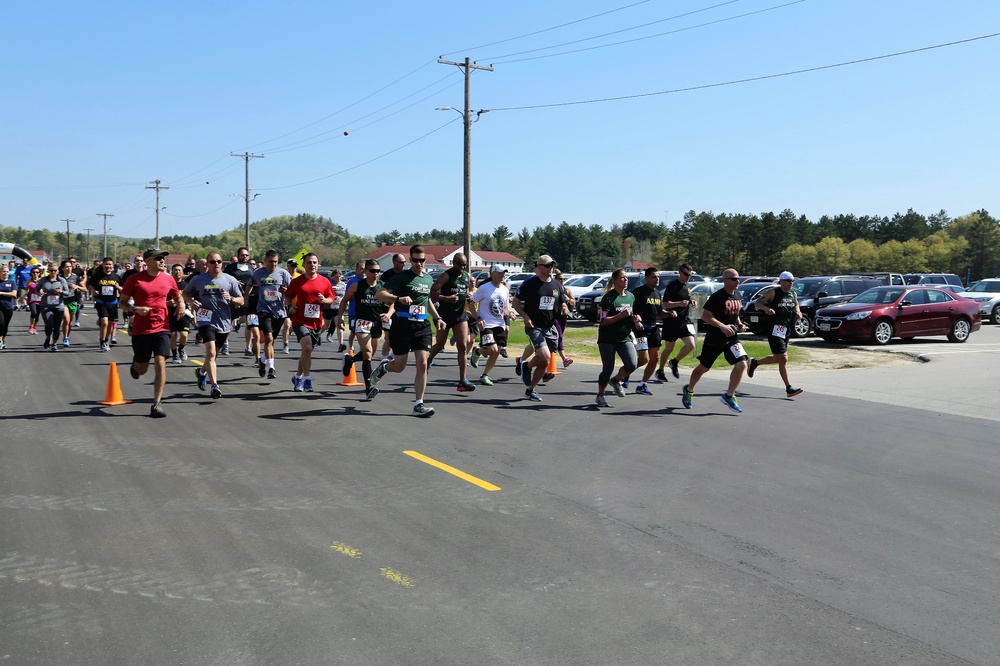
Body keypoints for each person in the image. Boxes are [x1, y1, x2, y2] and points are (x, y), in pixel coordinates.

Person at [369, 245, 447, 417]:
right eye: (416, 260)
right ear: (410, 260)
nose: (419, 263)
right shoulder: (401, 278)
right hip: (402, 325)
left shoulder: (427, 279)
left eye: (422, 260)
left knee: (423, 363)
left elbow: (426, 300)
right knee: (399, 366)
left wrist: (438, 318)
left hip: (422, 326)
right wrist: (398, 298)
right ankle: (384, 368)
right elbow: (379, 294)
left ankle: (418, 404)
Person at [121, 249, 187, 418]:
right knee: (142, 368)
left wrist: (181, 305)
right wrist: (136, 309)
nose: (162, 261)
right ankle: (136, 366)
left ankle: (156, 403)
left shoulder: (168, 278)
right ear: (148, 261)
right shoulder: (134, 279)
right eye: (158, 258)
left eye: (163, 258)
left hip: (162, 328)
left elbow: (178, 296)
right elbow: (122, 303)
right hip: (141, 330)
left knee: (160, 361)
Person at [682, 268, 752, 414]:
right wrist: (722, 326)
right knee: (704, 367)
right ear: (725, 281)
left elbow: (735, 313)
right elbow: (706, 316)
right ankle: (689, 389)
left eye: (738, 278)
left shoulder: (737, 295)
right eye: (734, 279)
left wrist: (739, 323)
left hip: (732, 338)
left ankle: (729, 395)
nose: (737, 281)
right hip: (715, 338)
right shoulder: (717, 297)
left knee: (742, 364)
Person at [184, 252, 245, 400]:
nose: (216, 264)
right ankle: (214, 386)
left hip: (224, 321)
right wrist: (191, 302)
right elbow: (185, 293)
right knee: (211, 353)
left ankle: (201, 372)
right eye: (212, 261)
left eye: (218, 261)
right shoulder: (199, 279)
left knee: (214, 354)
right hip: (205, 320)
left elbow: (241, 300)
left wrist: (231, 298)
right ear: (207, 264)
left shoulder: (229, 280)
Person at [512, 254, 568, 402]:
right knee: (545, 357)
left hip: (549, 327)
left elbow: (562, 301)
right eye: (548, 265)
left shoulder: (557, 285)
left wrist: (564, 308)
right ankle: (527, 367)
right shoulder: (530, 284)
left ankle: (530, 388)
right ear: (540, 267)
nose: (551, 268)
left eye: (552, 265)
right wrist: (525, 316)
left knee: (543, 362)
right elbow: (515, 303)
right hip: (534, 326)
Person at [341, 259, 393, 400]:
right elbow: (345, 300)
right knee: (368, 353)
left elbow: (393, 302)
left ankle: (350, 359)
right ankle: (369, 387)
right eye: (373, 271)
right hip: (362, 322)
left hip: (377, 323)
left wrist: (388, 314)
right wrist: (340, 317)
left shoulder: (383, 287)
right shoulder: (358, 286)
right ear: (365, 271)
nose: (376, 273)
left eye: (378, 271)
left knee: (368, 353)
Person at [283, 253, 335, 392]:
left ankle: (297, 376)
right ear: (304, 265)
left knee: (307, 351)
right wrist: (290, 307)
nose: (312, 265)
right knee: (306, 347)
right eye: (309, 262)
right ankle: (307, 380)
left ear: (318, 264)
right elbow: (287, 296)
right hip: (299, 320)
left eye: (314, 262)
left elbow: (331, 298)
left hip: (316, 322)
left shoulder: (324, 281)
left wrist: (324, 300)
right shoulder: (297, 281)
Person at [747, 271, 804, 397]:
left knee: (779, 358)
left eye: (792, 281)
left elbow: (796, 305)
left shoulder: (793, 294)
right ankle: (789, 388)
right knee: (783, 358)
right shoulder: (773, 292)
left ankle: (755, 363)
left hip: (786, 328)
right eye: (789, 281)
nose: (791, 283)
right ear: (782, 281)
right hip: (775, 328)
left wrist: (798, 312)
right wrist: (766, 309)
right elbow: (758, 303)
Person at [427, 253, 476, 392]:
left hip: (460, 315)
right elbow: (431, 293)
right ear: (453, 263)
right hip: (444, 315)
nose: (462, 267)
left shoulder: (466, 276)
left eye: (464, 265)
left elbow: (466, 292)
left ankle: (462, 381)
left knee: (463, 346)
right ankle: (429, 359)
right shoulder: (446, 276)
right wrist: (446, 298)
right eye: (459, 264)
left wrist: (469, 297)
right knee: (440, 344)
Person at [593, 269, 641, 407]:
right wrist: (621, 315)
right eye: (622, 277)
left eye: (626, 277)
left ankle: (616, 380)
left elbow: (631, 314)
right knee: (608, 368)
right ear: (614, 280)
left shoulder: (631, 297)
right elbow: (603, 321)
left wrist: (636, 320)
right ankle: (600, 395)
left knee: (632, 364)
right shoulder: (608, 298)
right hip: (607, 339)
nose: (625, 280)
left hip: (624, 337)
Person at [251, 249, 293, 380]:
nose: (274, 264)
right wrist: (246, 298)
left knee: (271, 341)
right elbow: (249, 285)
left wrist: (285, 291)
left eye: (276, 262)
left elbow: (292, 292)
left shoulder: (283, 273)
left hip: (279, 311)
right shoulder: (258, 273)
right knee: (268, 338)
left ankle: (263, 361)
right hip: (264, 309)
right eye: (271, 261)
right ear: (265, 261)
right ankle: (272, 368)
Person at [468, 265, 511, 386]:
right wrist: (478, 318)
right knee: (492, 349)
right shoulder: (484, 288)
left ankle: (485, 375)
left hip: (499, 324)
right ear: (492, 274)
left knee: (496, 351)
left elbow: (505, 307)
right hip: (486, 323)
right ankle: (477, 351)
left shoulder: (505, 289)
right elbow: (471, 302)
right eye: (500, 273)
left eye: (504, 273)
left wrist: (510, 313)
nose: (502, 275)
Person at [657, 263, 697, 382]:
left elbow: (687, 299)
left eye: (690, 274)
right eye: (686, 274)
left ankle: (674, 362)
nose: (688, 277)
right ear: (680, 273)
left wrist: (692, 302)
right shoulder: (672, 286)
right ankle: (660, 370)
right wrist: (679, 303)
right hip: (671, 320)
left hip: (684, 320)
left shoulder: (688, 286)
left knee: (691, 344)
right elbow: (665, 303)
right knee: (669, 348)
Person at [629, 267, 663, 396]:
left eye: (658, 277)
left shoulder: (658, 294)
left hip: (654, 329)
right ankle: (624, 374)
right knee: (644, 359)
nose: (657, 279)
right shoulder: (638, 293)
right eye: (654, 277)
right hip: (641, 330)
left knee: (655, 358)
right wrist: (636, 321)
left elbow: (660, 312)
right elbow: (631, 310)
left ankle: (643, 384)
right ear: (647, 278)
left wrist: (670, 313)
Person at [222, 247, 254, 356]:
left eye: (246, 255)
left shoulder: (251, 268)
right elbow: (223, 280)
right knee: (229, 322)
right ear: (238, 255)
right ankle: (225, 344)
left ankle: (248, 347)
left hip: (247, 298)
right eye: (242, 255)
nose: (244, 257)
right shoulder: (230, 268)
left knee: (249, 322)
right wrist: (234, 282)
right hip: (233, 298)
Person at [377, 253, 407, 361]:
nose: (404, 264)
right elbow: (381, 293)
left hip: (401, 308)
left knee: (398, 335)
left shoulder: (405, 275)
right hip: (388, 307)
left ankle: (392, 353)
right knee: (389, 336)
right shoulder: (387, 275)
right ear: (394, 262)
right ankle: (384, 358)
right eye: (401, 262)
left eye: (405, 262)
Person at [91, 257, 123, 351]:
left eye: (110, 264)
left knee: (110, 324)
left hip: (112, 303)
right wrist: (94, 291)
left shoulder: (116, 277)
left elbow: (123, 287)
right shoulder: (98, 276)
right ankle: (101, 341)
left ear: (112, 266)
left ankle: (106, 340)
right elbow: (91, 285)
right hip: (101, 302)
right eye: (106, 264)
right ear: (103, 265)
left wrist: (118, 287)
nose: (108, 266)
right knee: (104, 322)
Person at [37, 263, 69, 351]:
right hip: (46, 306)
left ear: (58, 271)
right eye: (51, 270)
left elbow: (67, 293)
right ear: (48, 271)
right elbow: (36, 289)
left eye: (55, 271)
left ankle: (54, 344)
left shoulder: (61, 280)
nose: (53, 272)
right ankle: (48, 337)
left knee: (57, 326)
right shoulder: (43, 280)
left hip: (59, 306)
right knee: (49, 324)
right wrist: (39, 292)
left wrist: (61, 291)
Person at [168, 264, 193, 363]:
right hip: (170, 314)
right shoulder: (168, 285)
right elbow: (160, 300)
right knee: (173, 335)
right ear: (172, 272)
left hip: (184, 314)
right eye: (175, 270)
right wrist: (168, 303)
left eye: (179, 270)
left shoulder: (187, 285)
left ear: (183, 273)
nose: (177, 272)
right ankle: (175, 355)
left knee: (184, 335)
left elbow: (192, 298)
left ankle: (181, 349)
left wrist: (186, 302)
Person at [58, 260, 86, 347]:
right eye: (66, 266)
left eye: (70, 266)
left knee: (69, 322)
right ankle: (65, 337)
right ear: (62, 268)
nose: (69, 268)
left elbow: (85, 289)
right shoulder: (58, 278)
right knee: (66, 319)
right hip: (62, 301)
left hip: (73, 301)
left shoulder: (76, 277)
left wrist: (77, 286)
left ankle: (67, 336)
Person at [553, 270, 575, 367]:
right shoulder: (554, 290)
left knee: (558, 337)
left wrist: (568, 299)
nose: (562, 280)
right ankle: (564, 359)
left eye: (563, 279)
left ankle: (523, 359)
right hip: (555, 316)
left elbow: (573, 302)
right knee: (559, 336)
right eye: (560, 279)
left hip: (563, 316)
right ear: (556, 279)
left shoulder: (567, 290)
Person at [0, 264, 15, 349]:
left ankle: (3, 340)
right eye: (3, 271)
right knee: (0, 323)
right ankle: (0, 340)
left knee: (5, 325)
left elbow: (14, 294)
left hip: (8, 307)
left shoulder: (11, 282)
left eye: (7, 272)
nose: (5, 273)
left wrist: (1, 293)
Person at [25, 266, 42, 334]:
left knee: (37, 315)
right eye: (34, 272)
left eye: (37, 272)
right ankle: (31, 326)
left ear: (39, 273)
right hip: (31, 299)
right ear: (31, 273)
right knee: (34, 313)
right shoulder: (29, 281)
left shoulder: (41, 281)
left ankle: (34, 327)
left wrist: (42, 292)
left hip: (40, 300)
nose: (35, 273)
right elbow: (26, 290)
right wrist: (25, 295)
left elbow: (44, 289)